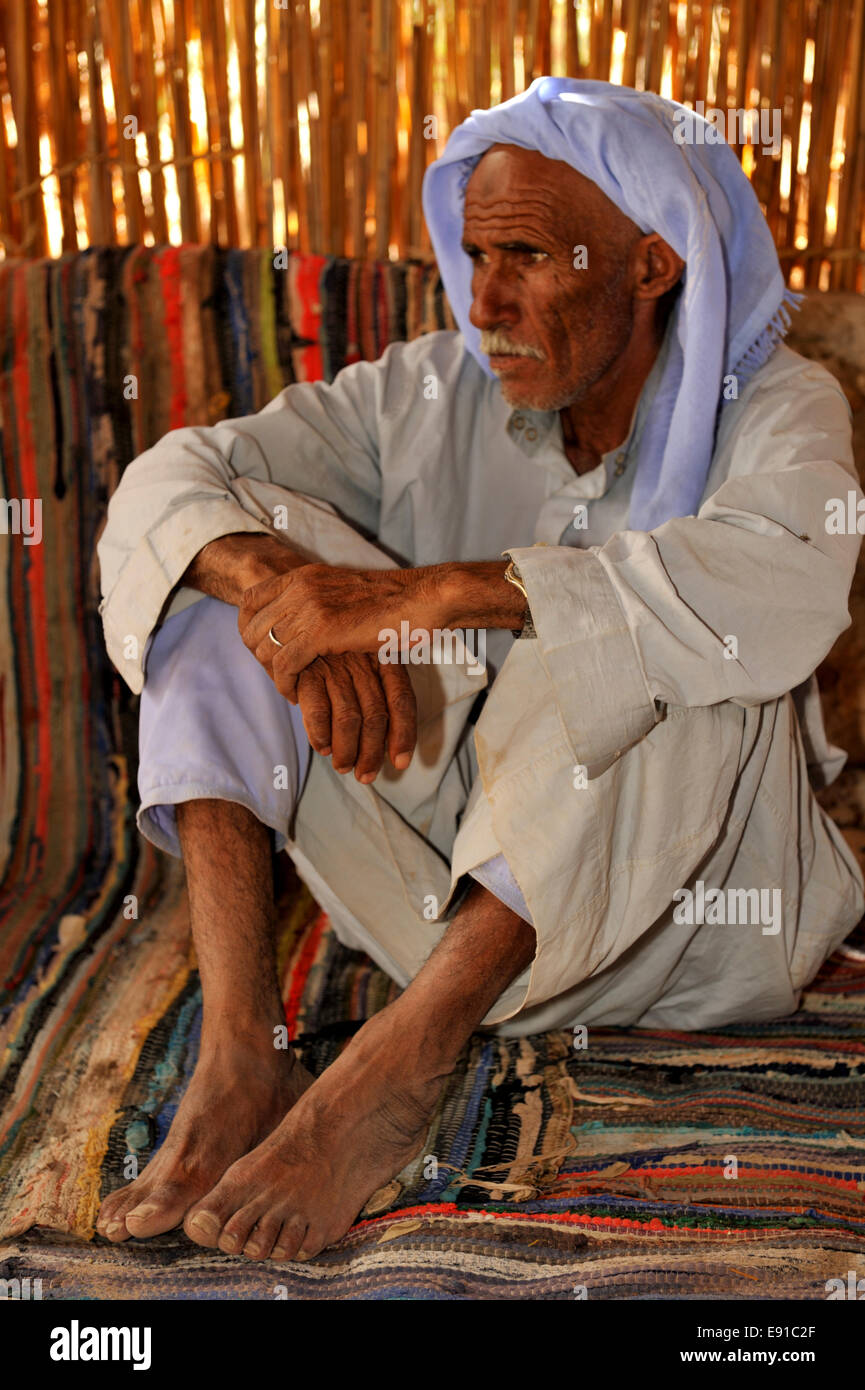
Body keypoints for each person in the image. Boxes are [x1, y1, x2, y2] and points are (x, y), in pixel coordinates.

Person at [94, 78, 864, 1262]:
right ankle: (243, 1051)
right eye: (471, 255)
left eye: (525, 259)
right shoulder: (425, 390)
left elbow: (788, 580)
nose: (484, 300)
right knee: (220, 561)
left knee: (643, 619)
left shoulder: (777, 407)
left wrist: (434, 591)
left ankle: (396, 1068)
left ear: (649, 266)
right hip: (425, 911)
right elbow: (169, 475)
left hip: (677, 939)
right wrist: (275, 594)